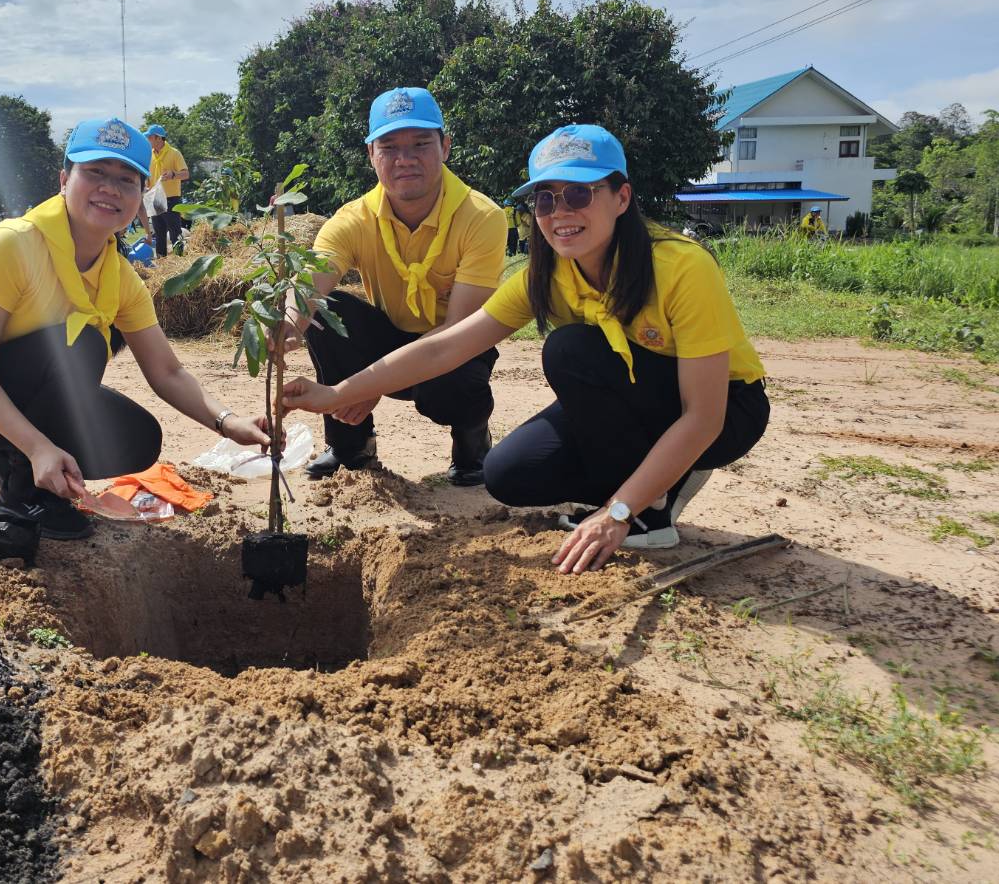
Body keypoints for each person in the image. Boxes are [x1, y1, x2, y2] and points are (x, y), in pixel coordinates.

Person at [284, 124, 770, 573]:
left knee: (570, 351)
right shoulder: (545, 275)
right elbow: (442, 349)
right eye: (544, 200)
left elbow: (704, 415)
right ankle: (645, 483)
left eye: (580, 193)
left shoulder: (682, 268)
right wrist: (334, 394)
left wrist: (618, 513)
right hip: (638, 401)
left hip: (726, 411)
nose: (561, 212)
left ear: (622, 197)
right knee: (510, 475)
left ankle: (651, 505)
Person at [0, 116, 271, 554]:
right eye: (95, 172)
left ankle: (20, 470)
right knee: (82, 345)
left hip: (7, 391)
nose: (110, 189)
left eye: (126, 180)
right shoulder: (11, 246)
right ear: (64, 179)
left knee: (138, 438)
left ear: (140, 198)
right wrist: (39, 447)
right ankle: (15, 502)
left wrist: (229, 423)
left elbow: (167, 371)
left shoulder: (121, 277)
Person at [280, 87, 507, 485]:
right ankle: (351, 446)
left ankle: (472, 446)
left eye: (421, 144)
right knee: (325, 312)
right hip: (387, 338)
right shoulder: (352, 219)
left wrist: (357, 387)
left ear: (445, 147)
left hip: (455, 349)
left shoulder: (481, 217)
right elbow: (308, 287)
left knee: (457, 376)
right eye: (389, 147)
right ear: (371, 155)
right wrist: (285, 327)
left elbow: (456, 335)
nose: (406, 160)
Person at [144, 125, 188, 256]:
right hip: (155, 198)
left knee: (175, 232)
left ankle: (180, 260)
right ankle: (161, 262)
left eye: (150, 137)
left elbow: (186, 174)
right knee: (159, 233)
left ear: (158, 138)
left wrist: (173, 175)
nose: (148, 140)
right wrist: (146, 185)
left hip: (171, 199)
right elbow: (148, 175)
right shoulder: (149, 155)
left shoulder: (174, 153)